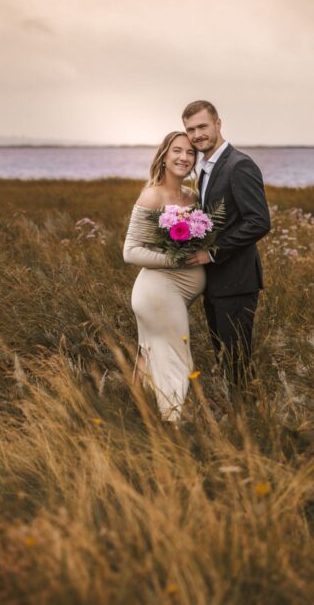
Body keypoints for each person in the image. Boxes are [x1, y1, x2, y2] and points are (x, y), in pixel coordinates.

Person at [180, 100, 270, 405]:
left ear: (218, 124)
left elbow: (259, 221)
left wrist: (212, 253)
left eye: (202, 126)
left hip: (237, 282)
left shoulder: (239, 164)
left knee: (237, 364)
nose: (197, 135)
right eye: (190, 129)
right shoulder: (205, 168)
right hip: (216, 284)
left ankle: (251, 423)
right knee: (225, 359)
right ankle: (238, 420)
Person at [122, 131, 205, 423]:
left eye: (191, 153)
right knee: (175, 359)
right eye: (177, 151)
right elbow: (130, 252)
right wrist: (175, 260)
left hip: (178, 293)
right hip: (157, 292)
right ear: (164, 155)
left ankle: (137, 422)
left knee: (150, 360)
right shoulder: (152, 195)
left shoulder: (193, 197)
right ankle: (173, 426)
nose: (184, 157)